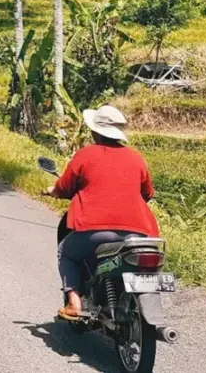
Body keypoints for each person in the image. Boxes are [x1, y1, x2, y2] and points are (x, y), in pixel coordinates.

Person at [42, 105, 159, 320]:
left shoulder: (86, 154)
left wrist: (53, 191)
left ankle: (75, 303)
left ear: (95, 131)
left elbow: (65, 186)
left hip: (93, 230)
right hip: (139, 233)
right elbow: (147, 193)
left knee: (66, 252)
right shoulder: (136, 158)